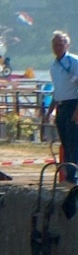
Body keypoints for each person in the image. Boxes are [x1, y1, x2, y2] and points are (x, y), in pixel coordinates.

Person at [50, 30, 78, 184]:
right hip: (61, 106)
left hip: (73, 104)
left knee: (74, 143)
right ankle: (68, 174)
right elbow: (57, 89)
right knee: (66, 143)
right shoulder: (54, 65)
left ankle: (73, 175)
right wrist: (49, 111)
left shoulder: (73, 62)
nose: (58, 47)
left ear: (67, 45)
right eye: (55, 44)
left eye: (61, 44)